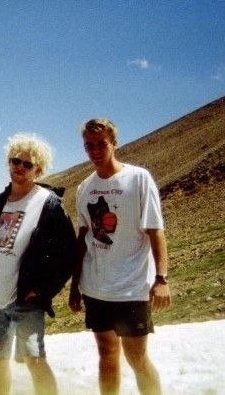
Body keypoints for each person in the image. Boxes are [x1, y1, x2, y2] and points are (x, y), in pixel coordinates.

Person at [0, 133, 77, 395]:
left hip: (26, 300)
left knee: (34, 359)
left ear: (39, 169)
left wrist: (43, 290)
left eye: (27, 164)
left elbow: (67, 253)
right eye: (16, 161)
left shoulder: (49, 205)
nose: (19, 167)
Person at [68, 118, 170, 395]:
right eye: (89, 145)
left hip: (131, 287)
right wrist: (75, 286)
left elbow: (155, 230)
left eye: (101, 143)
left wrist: (161, 278)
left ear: (114, 143)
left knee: (137, 358)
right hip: (95, 286)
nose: (95, 150)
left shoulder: (138, 178)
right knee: (106, 355)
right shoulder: (84, 187)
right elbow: (83, 237)